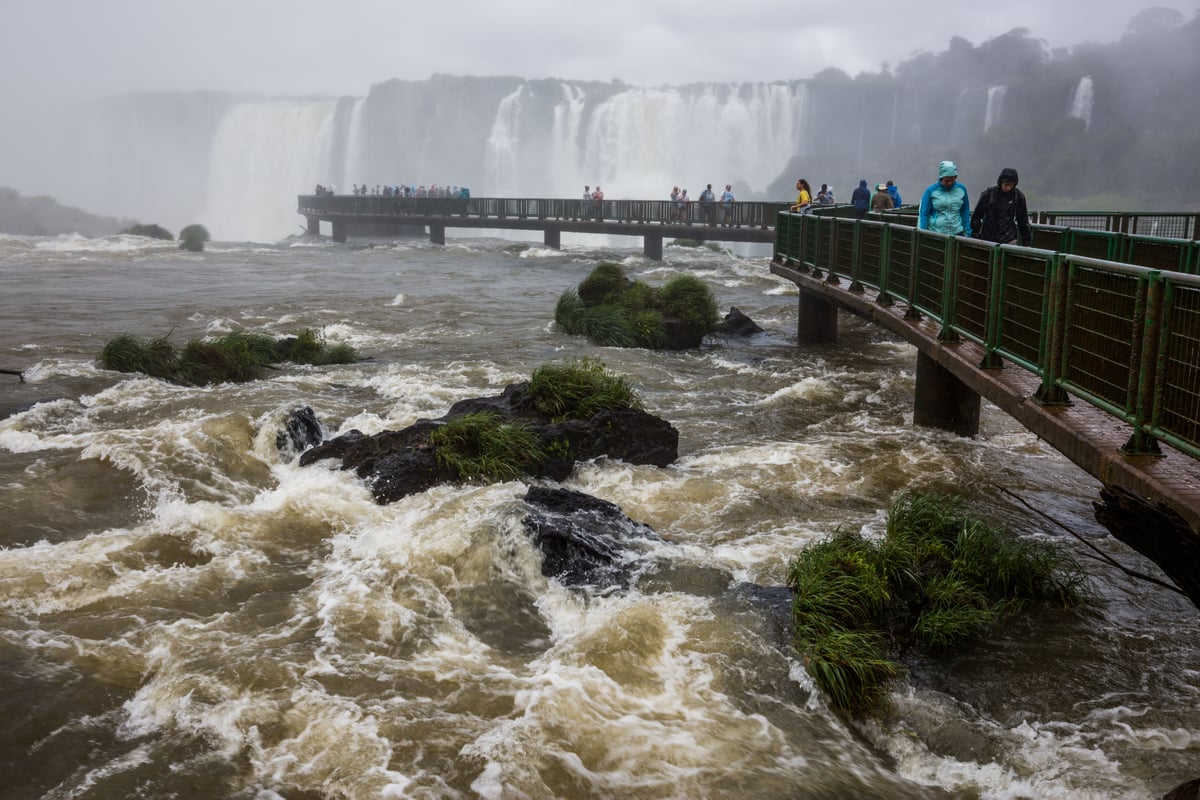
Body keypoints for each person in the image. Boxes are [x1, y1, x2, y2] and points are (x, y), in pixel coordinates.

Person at [970, 167, 1032, 247]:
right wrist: (975, 235)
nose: (1008, 188)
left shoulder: (1018, 196)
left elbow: (1022, 220)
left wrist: (1026, 241)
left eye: (1011, 185)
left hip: (1009, 239)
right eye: (1006, 185)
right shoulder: (988, 194)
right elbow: (977, 216)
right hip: (988, 239)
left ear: (1015, 184)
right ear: (1001, 182)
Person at [918, 161, 971, 236]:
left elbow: (965, 210)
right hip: (936, 233)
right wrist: (922, 232)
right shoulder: (930, 191)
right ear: (941, 177)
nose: (949, 183)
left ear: (955, 177)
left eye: (952, 180)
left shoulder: (961, 189)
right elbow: (924, 213)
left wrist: (967, 231)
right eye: (947, 181)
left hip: (957, 233)